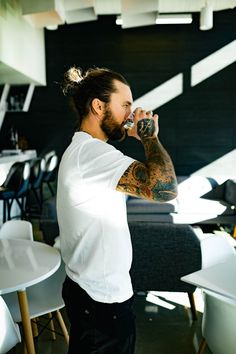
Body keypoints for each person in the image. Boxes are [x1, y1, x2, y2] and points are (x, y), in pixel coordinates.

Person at [57, 66, 178, 354]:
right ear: (98, 106)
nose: (131, 115)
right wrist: (148, 136)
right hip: (101, 301)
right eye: (125, 105)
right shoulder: (93, 154)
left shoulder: (84, 150)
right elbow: (165, 189)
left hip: (90, 292)